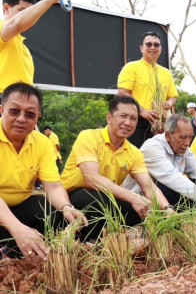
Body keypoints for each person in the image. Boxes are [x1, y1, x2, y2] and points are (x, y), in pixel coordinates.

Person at [61, 95, 170, 241]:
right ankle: (83, 241)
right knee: (102, 204)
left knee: (140, 211)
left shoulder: (134, 152)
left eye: (133, 118)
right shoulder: (88, 137)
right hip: (72, 195)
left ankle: (104, 238)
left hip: (107, 197)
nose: (127, 122)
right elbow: (92, 180)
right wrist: (133, 197)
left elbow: (148, 186)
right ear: (109, 117)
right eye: (123, 116)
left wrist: (167, 210)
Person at [0, 82, 86, 260]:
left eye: (30, 114)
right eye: (14, 111)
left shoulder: (41, 142)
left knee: (55, 216)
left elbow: (53, 186)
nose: (22, 119)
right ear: (2, 110)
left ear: (38, 117)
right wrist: (18, 228)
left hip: (19, 204)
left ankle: (10, 253)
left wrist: (66, 207)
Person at [117, 31, 178, 148]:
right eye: (148, 44)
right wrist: (143, 111)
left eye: (156, 45)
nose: (152, 47)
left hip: (160, 124)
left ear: (160, 48)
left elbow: (173, 96)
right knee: (136, 159)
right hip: (136, 122)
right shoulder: (131, 67)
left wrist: (168, 103)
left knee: (158, 160)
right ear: (141, 48)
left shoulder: (166, 72)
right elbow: (123, 92)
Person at [0, 0, 65, 94]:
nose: (29, 16)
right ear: (6, 8)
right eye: (22, 11)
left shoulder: (24, 49)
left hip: (22, 102)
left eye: (30, 12)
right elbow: (15, 25)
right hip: (4, 100)